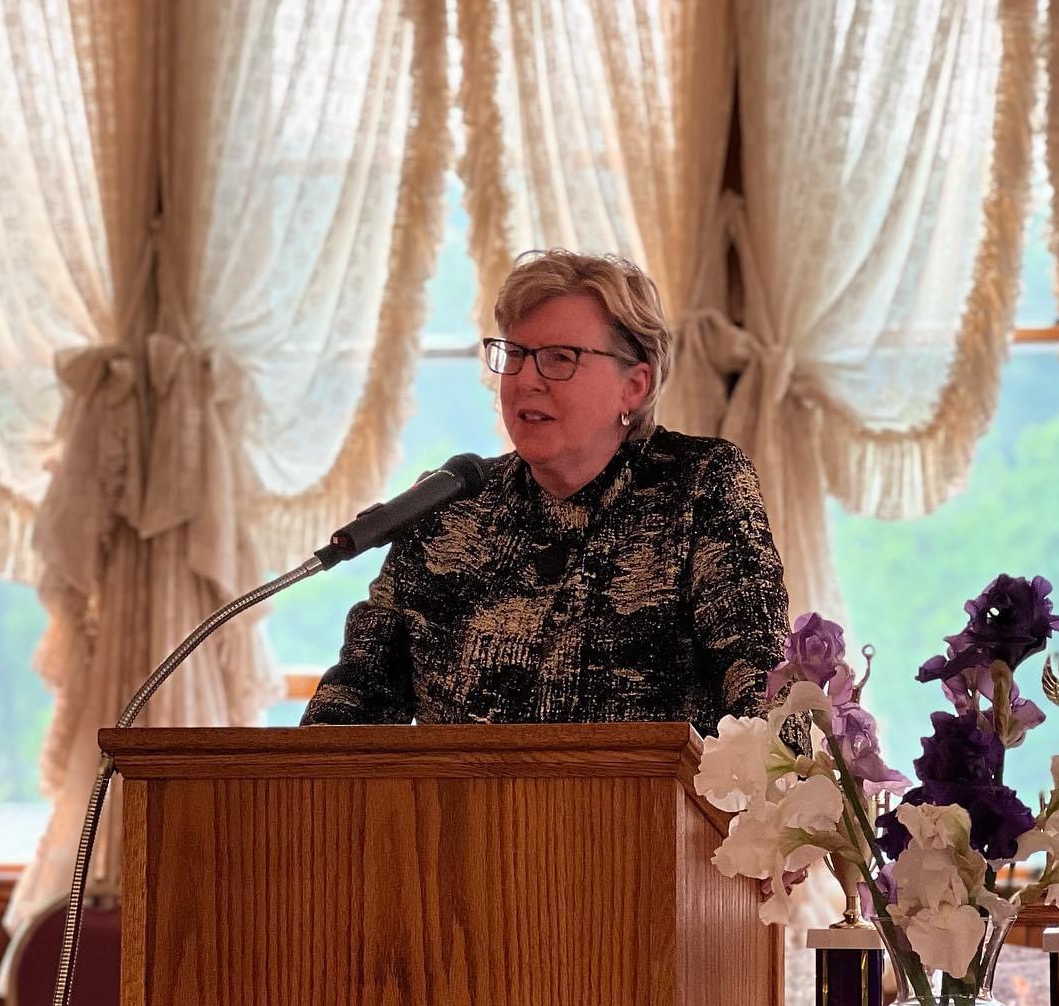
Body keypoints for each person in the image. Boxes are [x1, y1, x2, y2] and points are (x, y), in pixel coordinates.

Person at [300, 249, 788, 733]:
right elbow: (351, 708)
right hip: (453, 811)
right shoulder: (448, 508)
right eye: (514, 355)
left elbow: (765, 689)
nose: (525, 380)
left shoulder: (701, 485)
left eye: (559, 358)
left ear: (633, 386)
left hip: (647, 810)